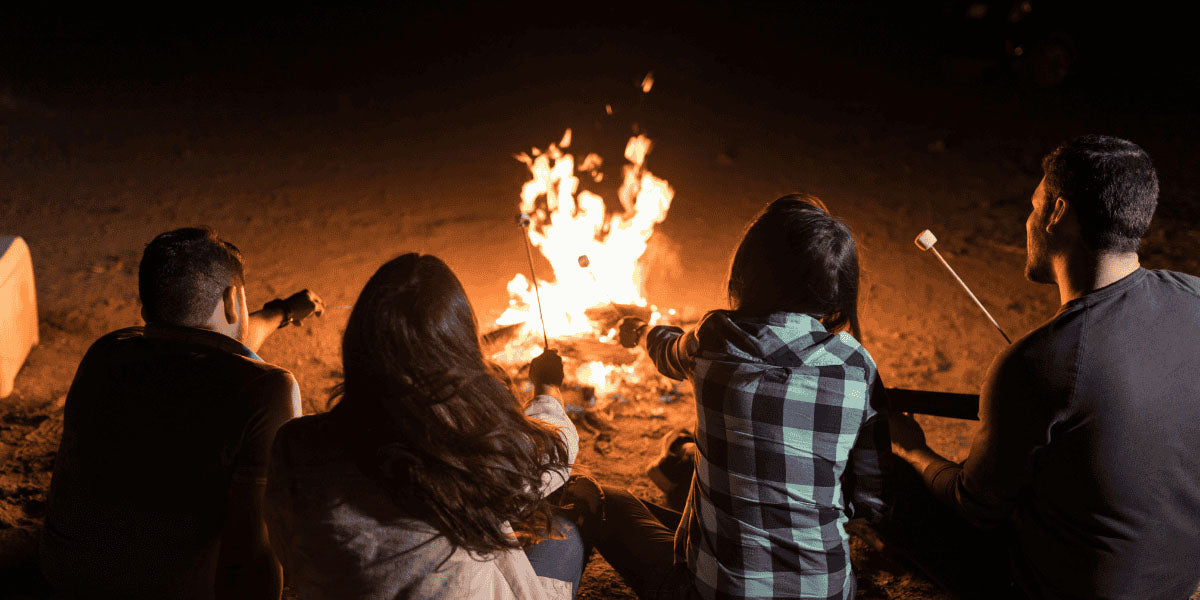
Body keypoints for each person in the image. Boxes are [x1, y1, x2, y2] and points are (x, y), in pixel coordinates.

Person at [887, 135, 1200, 599]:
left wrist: (912, 449)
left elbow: (973, 506)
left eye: (1033, 207)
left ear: (1057, 214)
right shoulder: (1194, 296)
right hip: (1176, 583)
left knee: (891, 476)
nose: (1027, 221)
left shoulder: (1041, 361)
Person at [567, 194, 891, 600]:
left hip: (712, 592)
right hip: (826, 591)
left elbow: (669, 353)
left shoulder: (716, 337)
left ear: (750, 271)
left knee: (599, 497)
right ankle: (680, 461)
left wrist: (645, 332)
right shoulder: (857, 366)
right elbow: (872, 499)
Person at [264, 253, 584, 599]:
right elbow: (556, 447)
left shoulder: (294, 445)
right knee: (569, 523)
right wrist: (547, 387)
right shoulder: (467, 453)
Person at [39, 227, 324, 599]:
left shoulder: (106, 352)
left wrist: (280, 312)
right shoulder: (268, 391)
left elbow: (214, 344)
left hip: (66, 581)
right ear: (232, 301)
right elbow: (253, 552)